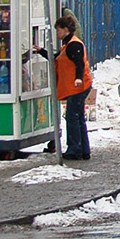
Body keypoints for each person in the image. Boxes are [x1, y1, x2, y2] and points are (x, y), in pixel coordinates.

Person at [33, 14, 91, 160]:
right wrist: (41, 50)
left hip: (78, 87)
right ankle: (83, 150)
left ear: (66, 29)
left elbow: (79, 63)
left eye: (58, 30)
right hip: (76, 86)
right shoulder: (68, 45)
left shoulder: (74, 45)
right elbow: (57, 58)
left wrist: (78, 78)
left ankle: (75, 150)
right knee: (78, 118)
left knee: (72, 117)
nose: (57, 33)